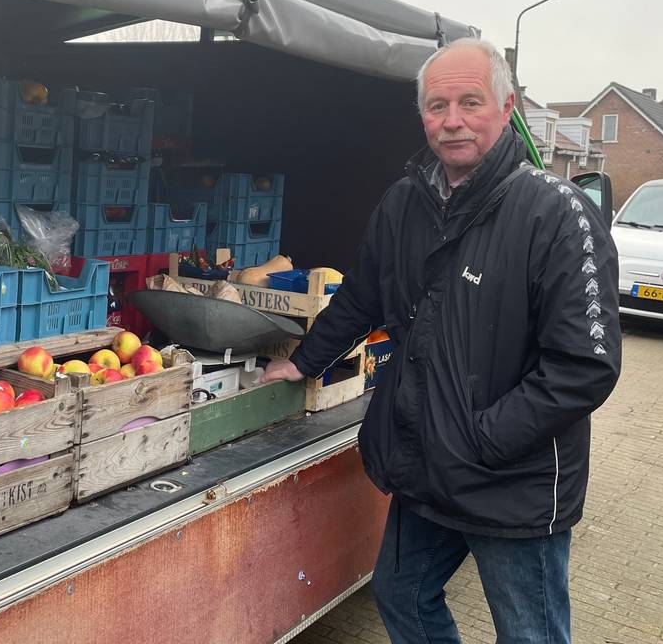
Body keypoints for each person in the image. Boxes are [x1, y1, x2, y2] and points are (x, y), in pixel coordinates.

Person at [261, 37, 621, 643]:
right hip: (425, 469)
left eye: (470, 102)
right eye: (436, 106)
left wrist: (481, 439)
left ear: (506, 110)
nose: (451, 121)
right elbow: (360, 296)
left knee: (528, 634)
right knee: (402, 596)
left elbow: (584, 365)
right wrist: (303, 361)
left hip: (511, 483)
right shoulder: (405, 203)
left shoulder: (556, 214)